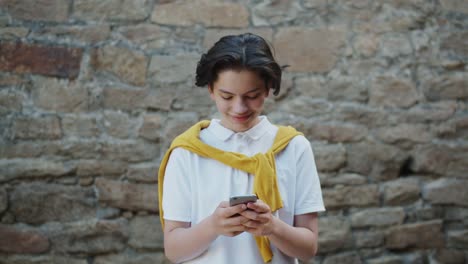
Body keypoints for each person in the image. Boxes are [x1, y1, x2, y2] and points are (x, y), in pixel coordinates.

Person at [158, 33, 325, 264]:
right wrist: (213, 226)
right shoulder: (187, 152)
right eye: (227, 96)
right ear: (211, 90)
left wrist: (272, 227)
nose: (239, 107)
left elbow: (308, 249)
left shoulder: (294, 148)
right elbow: (174, 251)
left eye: (252, 96)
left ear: (267, 89)